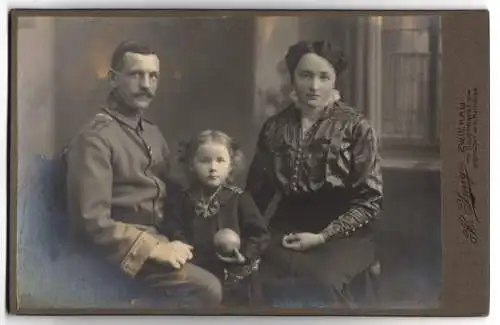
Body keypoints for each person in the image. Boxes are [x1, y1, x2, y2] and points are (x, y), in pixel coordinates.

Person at [66, 40, 223, 307]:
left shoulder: (151, 132)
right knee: (208, 288)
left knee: (228, 268)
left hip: (162, 236)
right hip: (117, 254)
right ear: (113, 80)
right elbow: (91, 222)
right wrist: (156, 248)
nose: (146, 85)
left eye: (153, 76)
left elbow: (172, 192)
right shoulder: (95, 138)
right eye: (136, 75)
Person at [246, 40, 383, 305]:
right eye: (306, 75)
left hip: (345, 235)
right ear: (293, 78)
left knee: (321, 282)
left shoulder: (357, 127)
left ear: (334, 80)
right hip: (287, 228)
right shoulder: (275, 127)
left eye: (324, 77)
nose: (314, 86)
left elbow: (370, 202)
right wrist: (244, 236)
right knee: (250, 273)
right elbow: (255, 195)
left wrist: (323, 236)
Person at [160, 130, 270, 304]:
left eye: (220, 161)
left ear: (231, 165)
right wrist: (185, 249)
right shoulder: (183, 199)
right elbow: (174, 229)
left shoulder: (240, 198)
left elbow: (260, 235)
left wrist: (244, 255)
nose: (213, 168)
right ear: (191, 164)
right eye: (204, 161)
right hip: (197, 272)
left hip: (235, 277)